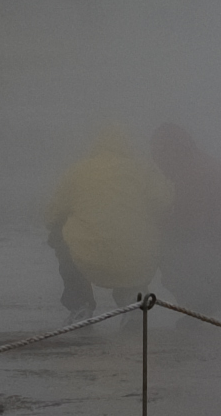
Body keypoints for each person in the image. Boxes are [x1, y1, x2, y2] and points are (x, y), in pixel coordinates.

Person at [150, 122, 221, 320]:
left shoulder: (193, 175)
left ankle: (213, 305)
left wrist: (152, 223)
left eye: (158, 154)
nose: (157, 161)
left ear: (170, 152)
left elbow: (186, 226)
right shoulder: (201, 165)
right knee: (181, 254)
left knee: (168, 257)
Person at [45, 126, 164, 315]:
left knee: (58, 235)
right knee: (143, 239)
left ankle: (80, 304)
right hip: (136, 257)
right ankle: (133, 300)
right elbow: (164, 204)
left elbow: (52, 214)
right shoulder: (143, 170)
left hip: (89, 254)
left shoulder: (79, 170)